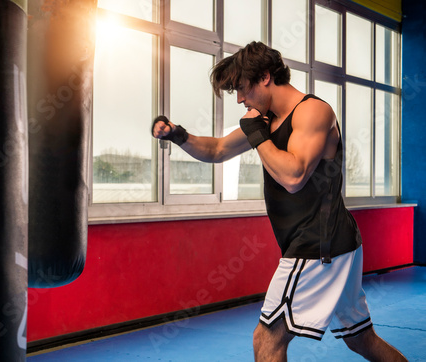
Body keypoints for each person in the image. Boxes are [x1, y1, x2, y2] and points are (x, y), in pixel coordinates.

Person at [151, 41, 407, 362]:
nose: (241, 99)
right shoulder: (266, 120)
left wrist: (258, 134)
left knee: (267, 339)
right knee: (361, 340)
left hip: (317, 245)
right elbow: (216, 150)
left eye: (242, 89)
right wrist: (177, 134)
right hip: (338, 244)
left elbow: (294, 176)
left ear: (266, 77)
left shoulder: (313, 111)